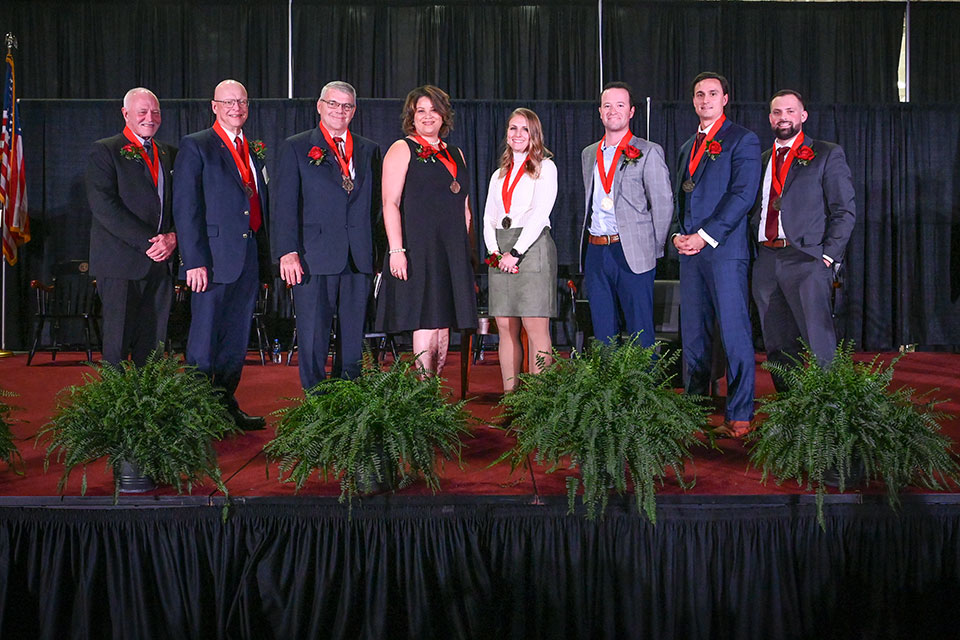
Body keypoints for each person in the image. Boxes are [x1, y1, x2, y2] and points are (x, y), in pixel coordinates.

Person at [271, 81, 382, 391]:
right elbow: (284, 206)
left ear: (354, 111)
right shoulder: (297, 146)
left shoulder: (369, 149)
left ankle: (349, 400)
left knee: (353, 336)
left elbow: (377, 208)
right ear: (319, 106)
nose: (339, 111)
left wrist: (378, 254)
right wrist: (287, 251)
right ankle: (317, 405)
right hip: (312, 256)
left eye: (346, 106)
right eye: (333, 104)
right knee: (313, 335)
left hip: (358, 257)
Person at [172, 79, 270, 430]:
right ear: (213, 106)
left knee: (235, 339)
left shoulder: (251, 148)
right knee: (204, 340)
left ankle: (225, 407)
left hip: (246, 259)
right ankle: (198, 415)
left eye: (242, 102)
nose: (236, 108)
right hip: (210, 261)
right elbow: (186, 209)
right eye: (228, 102)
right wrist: (193, 260)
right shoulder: (196, 146)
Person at [671, 72, 761, 438]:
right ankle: (694, 411)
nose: (705, 99)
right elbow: (681, 199)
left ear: (725, 98)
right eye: (698, 94)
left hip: (724, 252)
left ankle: (739, 414)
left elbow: (742, 196)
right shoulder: (686, 146)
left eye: (712, 93)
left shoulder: (743, 139)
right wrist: (679, 234)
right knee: (693, 334)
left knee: (734, 333)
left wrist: (705, 236)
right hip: (689, 254)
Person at [751, 89, 856, 391]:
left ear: (803, 116)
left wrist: (827, 256)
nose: (783, 118)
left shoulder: (826, 153)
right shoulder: (761, 159)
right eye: (777, 112)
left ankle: (827, 420)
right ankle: (791, 414)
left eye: (789, 112)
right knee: (777, 346)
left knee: (819, 345)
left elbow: (844, 210)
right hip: (767, 261)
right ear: (770, 117)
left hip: (807, 260)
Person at [374, 85, 477, 375]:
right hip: (418, 249)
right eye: (421, 111)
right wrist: (396, 250)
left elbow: (465, 207)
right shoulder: (402, 148)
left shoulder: (456, 153)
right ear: (412, 116)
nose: (428, 116)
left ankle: (432, 392)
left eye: (434, 110)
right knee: (426, 321)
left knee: (444, 326)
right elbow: (390, 203)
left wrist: (464, 252)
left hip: (451, 251)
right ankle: (421, 395)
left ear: (444, 115)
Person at [85, 87, 177, 367]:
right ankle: (116, 410)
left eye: (155, 112)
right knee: (117, 344)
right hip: (120, 265)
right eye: (142, 111)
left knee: (153, 346)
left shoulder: (169, 153)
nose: (150, 117)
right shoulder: (105, 151)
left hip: (161, 265)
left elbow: (182, 205)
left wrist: (173, 237)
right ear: (125, 114)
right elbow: (105, 207)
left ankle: (147, 406)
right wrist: (152, 243)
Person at [580, 81, 674, 346]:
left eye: (620, 105)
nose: (613, 111)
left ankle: (645, 387)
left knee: (640, 330)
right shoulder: (589, 153)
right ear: (599, 111)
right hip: (596, 250)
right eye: (607, 105)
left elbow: (663, 204)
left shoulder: (648, 151)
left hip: (633, 250)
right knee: (602, 331)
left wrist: (653, 248)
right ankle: (608, 387)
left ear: (631, 111)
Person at [482, 108, 558, 392]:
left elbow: (540, 214)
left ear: (534, 134)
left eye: (524, 129)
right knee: (504, 328)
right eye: (513, 128)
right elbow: (489, 217)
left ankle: (538, 403)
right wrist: (494, 253)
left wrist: (515, 252)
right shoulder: (498, 174)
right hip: (500, 253)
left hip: (531, 248)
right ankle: (511, 399)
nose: (517, 134)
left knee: (535, 328)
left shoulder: (545, 167)